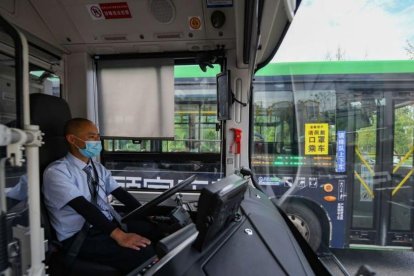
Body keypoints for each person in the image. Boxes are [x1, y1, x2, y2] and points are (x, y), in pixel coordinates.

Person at [42, 118, 158, 274]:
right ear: (72, 139)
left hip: (103, 225)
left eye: (98, 136)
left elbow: (122, 195)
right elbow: (84, 208)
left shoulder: (97, 168)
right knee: (144, 253)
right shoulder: (57, 172)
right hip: (79, 237)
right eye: (91, 137)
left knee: (154, 231)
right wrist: (120, 236)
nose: (97, 141)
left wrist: (146, 215)